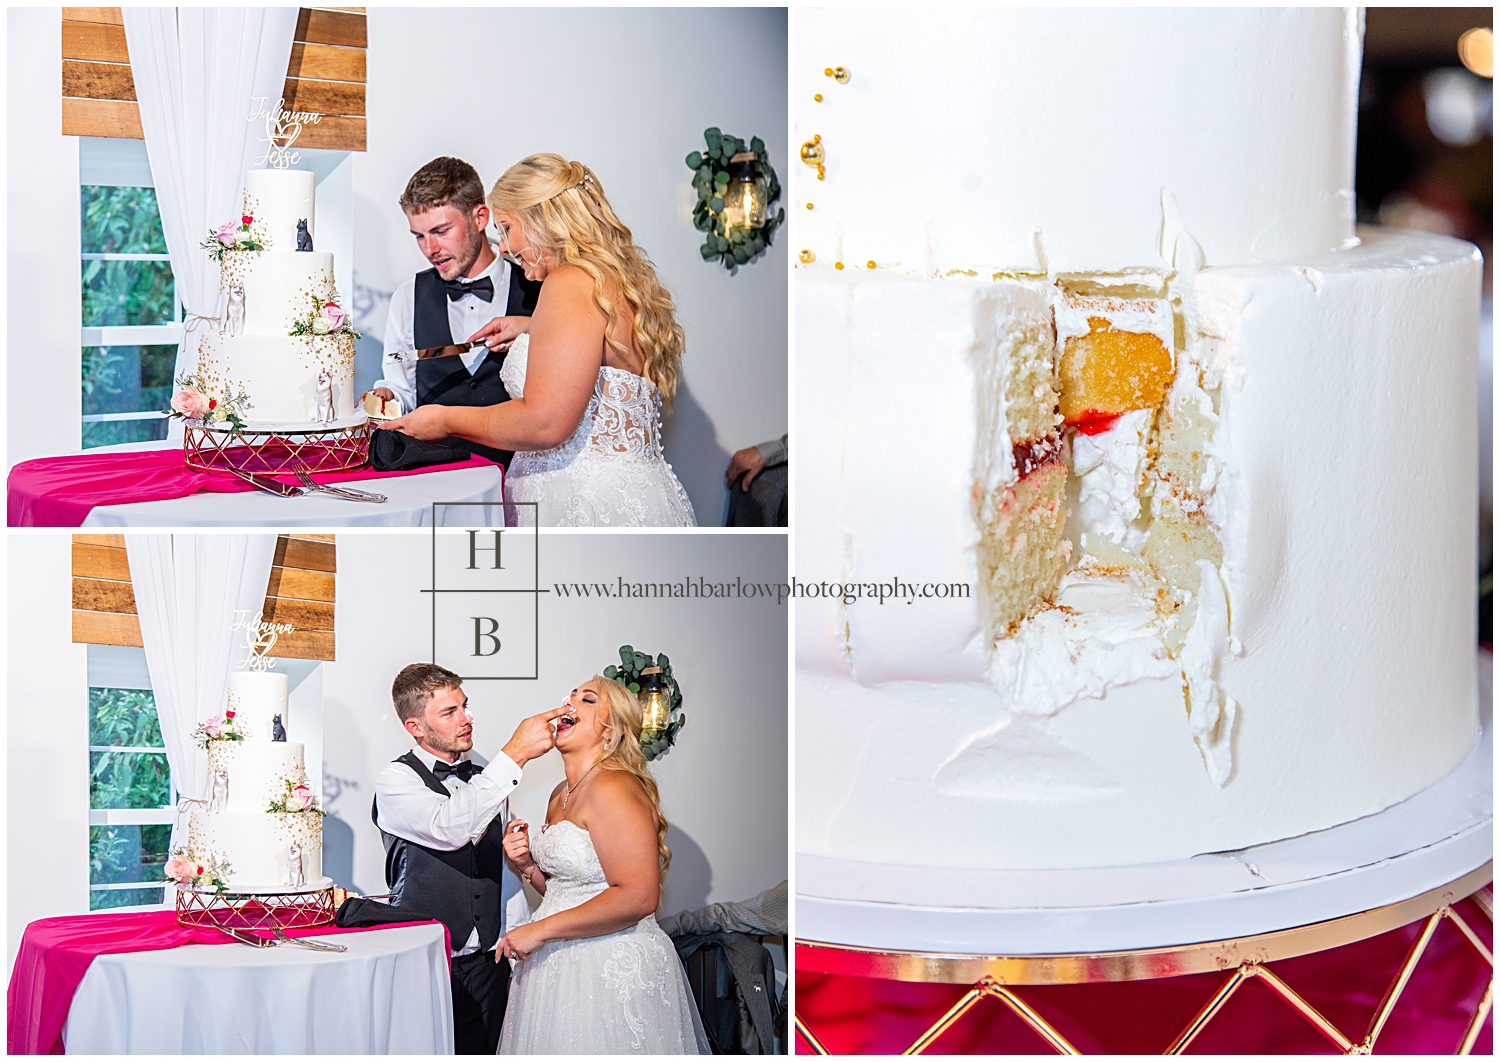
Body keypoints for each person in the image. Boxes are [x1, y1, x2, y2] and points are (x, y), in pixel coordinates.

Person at [379, 155, 697, 527]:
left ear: (542, 221)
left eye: (508, 228)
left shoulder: (567, 282)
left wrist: (445, 419)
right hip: (624, 498)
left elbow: (545, 423)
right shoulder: (607, 280)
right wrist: (533, 326)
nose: (504, 247)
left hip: (582, 506)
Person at [494, 676, 710, 1054]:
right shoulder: (560, 794)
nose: (569, 704)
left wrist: (539, 930)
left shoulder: (616, 787)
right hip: (558, 967)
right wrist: (528, 865)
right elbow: (570, 891)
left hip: (607, 966)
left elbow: (638, 897)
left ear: (610, 731)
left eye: (587, 699)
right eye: (570, 696)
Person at [371, 663, 566, 1054]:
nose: (466, 718)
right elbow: (448, 828)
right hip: (425, 959)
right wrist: (515, 754)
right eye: (450, 712)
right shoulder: (395, 781)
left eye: (465, 706)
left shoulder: (486, 780)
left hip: (489, 962)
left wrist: (520, 867)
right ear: (415, 727)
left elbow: (500, 873)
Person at [370, 156, 543, 466]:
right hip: (437, 476)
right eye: (420, 236)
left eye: (441, 231)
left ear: (479, 218)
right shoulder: (408, 297)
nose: (430, 249)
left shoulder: (539, 287)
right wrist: (387, 396)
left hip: (524, 474)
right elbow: (402, 387)